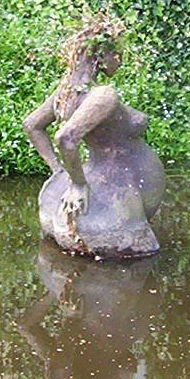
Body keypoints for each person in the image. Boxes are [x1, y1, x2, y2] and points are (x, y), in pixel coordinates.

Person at [22, 14, 165, 258]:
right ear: (100, 55)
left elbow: (32, 125)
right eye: (116, 54)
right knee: (137, 272)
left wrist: (59, 171)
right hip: (117, 194)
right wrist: (77, 184)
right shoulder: (103, 96)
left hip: (106, 184)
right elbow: (65, 138)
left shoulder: (66, 92)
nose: (120, 60)